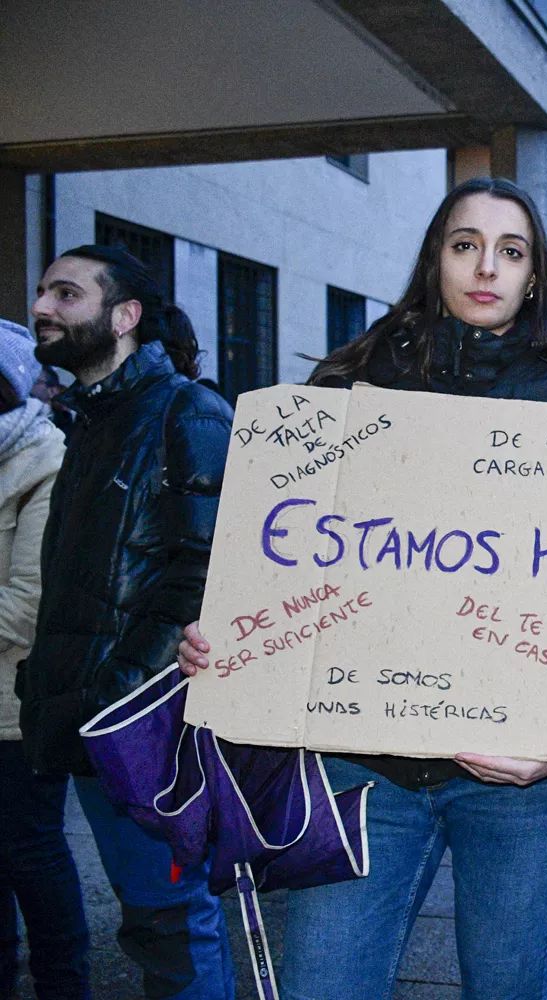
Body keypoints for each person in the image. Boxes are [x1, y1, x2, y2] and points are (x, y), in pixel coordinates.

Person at [176, 177, 547, 1000]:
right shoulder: (346, 389)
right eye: (465, 244)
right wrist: (232, 635)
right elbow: (284, 559)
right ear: (434, 259)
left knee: (507, 986)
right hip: (364, 764)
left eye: (511, 250)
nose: (486, 266)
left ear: (535, 276)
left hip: (523, 777)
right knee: (321, 984)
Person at [21, 245, 236, 999]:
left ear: (125, 317)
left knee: (174, 920)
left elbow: (209, 569)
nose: (43, 307)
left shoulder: (188, 410)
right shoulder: (87, 422)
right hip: (95, 718)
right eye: (43, 291)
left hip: (146, 724)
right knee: (152, 922)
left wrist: (119, 688)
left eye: (66, 294)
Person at [0, 320, 86, 999]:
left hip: (15, 708)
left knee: (30, 852)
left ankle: (64, 987)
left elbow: (26, 609)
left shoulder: (44, 459)